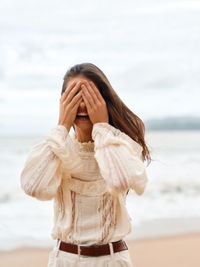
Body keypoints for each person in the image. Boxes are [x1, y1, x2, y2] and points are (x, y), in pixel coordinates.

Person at [20, 62, 151, 267]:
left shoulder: (118, 145)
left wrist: (101, 127)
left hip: (113, 259)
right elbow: (33, 187)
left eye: (89, 96)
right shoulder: (56, 147)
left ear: (103, 101)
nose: (82, 105)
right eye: (75, 96)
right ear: (63, 102)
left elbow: (119, 180)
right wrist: (62, 126)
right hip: (65, 259)